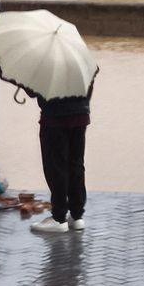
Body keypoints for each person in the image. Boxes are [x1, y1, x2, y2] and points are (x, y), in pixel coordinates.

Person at [26, 82, 93, 234]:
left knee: (55, 166)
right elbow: (89, 84)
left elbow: (33, 90)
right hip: (81, 115)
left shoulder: (48, 62)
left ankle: (59, 217)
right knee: (76, 164)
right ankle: (77, 216)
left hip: (55, 118)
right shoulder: (81, 60)